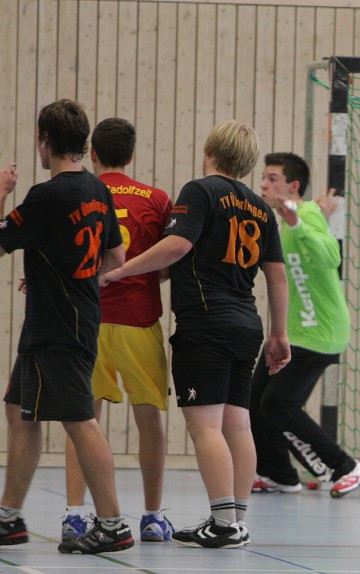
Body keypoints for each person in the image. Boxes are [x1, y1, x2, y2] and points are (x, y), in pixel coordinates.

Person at [101, 120, 290, 549]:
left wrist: (120, 272)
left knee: (205, 427)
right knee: (237, 423)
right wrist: (280, 334)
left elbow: (177, 246)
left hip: (206, 323)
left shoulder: (200, 191)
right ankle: (236, 519)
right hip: (247, 323)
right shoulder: (260, 207)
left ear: (210, 150)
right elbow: (276, 275)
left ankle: (222, 522)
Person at [0, 99, 133, 554]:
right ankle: (10, 517)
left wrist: (0, 192)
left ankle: (113, 524)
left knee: (81, 421)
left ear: (45, 141)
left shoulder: (46, 195)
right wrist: (56, 266)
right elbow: (114, 258)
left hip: (60, 327)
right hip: (64, 318)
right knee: (19, 409)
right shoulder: (97, 190)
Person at [62, 117, 174, 543]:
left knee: (82, 420)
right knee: (149, 420)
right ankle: (153, 516)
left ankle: (75, 514)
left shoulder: (81, 192)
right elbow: (165, 265)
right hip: (139, 321)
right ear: (132, 154)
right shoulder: (157, 199)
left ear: (92, 153)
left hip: (87, 321)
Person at [251, 152, 360, 497]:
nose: (263, 184)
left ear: (293, 186)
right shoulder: (292, 217)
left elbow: (331, 256)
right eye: (264, 177)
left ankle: (345, 466)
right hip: (294, 332)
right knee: (255, 400)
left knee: (279, 404)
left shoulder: (303, 216)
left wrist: (300, 222)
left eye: (272, 178)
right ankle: (280, 474)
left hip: (319, 333)